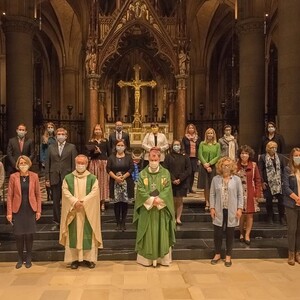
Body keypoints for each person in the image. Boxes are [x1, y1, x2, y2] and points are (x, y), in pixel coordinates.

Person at [133, 147, 176, 267]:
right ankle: (145, 260)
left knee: (162, 232)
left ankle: (163, 259)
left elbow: (167, 189)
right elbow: (140, 189)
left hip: (161, 209)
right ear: (148, 158)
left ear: (159, 158)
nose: (154, 159)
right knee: (147, 232)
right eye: (152, 157)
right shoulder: (142, 174)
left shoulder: (165, 173)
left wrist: (159, 200)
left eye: (156, 157)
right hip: (147, 210)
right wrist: (151, 200)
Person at [59, 154, 103, 269]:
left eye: (82, 163)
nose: (80, 165)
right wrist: (74, 202)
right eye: (78, 163)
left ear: (87, 164)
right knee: (73, 234)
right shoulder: (68, 178)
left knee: (88, 233)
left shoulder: (92, 178)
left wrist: (82, 201)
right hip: (73, 211)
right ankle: (74, 259)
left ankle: (89, 259)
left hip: (87, 211)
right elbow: (65, 191)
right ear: (75, 163)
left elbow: (95, 192)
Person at [6, 155, 42, 269]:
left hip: (30, 208)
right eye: (21, 163)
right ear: (18, 164)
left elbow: (38, 194)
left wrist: (38, 211)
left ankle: (28, 258)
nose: (23, 165)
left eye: (24, 163)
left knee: (29, 234)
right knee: (19, 235)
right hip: (18, 209)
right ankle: (20, 258)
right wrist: (9, 213)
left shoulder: (34, 176)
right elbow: (9, 195)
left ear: (29, 163)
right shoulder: (13, 177)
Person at [210, 157, 243, 267]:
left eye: (228, 165)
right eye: (224, 165)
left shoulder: (236, 180)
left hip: (232, 210)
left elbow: (240, 195)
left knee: (230, 233)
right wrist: (212, 208)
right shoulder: (215, 179)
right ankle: (217, 254)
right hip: (219, 210)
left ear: (232, 167)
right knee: (217, 233)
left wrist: (239, 208)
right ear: (220, 166)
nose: (226, 167)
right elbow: (212, 194)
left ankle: (228, 255)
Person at [45, 128, 77, 225]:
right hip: (54, 177)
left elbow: (74, 164)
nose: (60, 135)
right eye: (59, 134)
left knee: (67, 200)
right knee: (55, 201)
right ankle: (56, 221)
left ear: (66, 136)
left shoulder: (71, 147)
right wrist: (47, 178)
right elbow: (47, 163)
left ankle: (67, 220)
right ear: (56, 136)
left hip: (67, 177)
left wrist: (74, 177)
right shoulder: (51, 147)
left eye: (62, 134)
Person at [236, 145, 262, 245]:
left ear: (249, 155)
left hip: (251, 192)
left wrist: (258, 193)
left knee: (250, 215)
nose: (244, 155)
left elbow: (258, 180)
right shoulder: (235, 165)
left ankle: (247, 234)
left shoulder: (254, 165)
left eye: (246, 153)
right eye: (242, 153)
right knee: (241, 214)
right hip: (239, 193)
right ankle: (241, 232)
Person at [107, 139, 134, 231]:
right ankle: (118, 223)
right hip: (115, 182)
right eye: (118, 145)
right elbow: (108, 169)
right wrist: (116, 178)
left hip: (126, 182)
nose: (120, 147)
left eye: (122, 145)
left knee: (124, 203)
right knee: (117, 203)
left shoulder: (128, 157)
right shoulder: (111, 157)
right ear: (115, 146)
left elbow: (131, 168)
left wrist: (123, 177)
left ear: (125, 147)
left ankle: (123, 223)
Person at [258, 141, 286, 225]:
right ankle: (270, 216)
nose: (273, 149)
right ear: (267, 149)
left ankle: (282, 217)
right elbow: (260, 170)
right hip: (268, 183)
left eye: (275, 147)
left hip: (279, 183)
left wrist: (284, 181)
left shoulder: (280, 157)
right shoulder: (263, 157)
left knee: (281, 201)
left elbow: (284, 169)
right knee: (269, 201)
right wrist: (262, 182)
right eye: (271, 148)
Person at [164, 140, 191, 225]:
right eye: (175, 145)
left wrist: (180, 179)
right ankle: (172, 217)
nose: (176, 146)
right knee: (172, 200)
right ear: (172, 146)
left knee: (179, 200)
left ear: (181, 146)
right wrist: (173, 179)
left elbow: (188, 169)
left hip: (182, 182)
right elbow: (165, 168)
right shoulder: (168, 156)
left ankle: (178, 218)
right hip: (171, 181)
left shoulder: (185, 156)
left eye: (178, 145)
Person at [86, 124, 111, 212]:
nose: (97, 131)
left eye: (99, 129)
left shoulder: (105, 141)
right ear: (93, 131)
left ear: (102, 131)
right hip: (94, 163)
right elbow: (89, 154)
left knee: (103, 182)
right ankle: (95, 201)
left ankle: (103, 202)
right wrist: (95, 152)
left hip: (103, 163)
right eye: (96, 129)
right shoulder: (91, 141)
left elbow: (110, 153)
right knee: (94, 183)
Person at [283, 147, 300, 265]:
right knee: (292, 229)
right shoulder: (288, 169)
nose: (297, 158)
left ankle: (298, 253)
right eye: (296, 156)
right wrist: (297, 198)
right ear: (292, 157)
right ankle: (291, 253)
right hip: (291, 204)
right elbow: (286, 187)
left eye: (299, 156)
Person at [197, 128, 221, 210]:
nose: (210, 135)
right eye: (208, 133)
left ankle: (212, 202)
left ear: (214, 135)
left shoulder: (217, 145)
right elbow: (200, 154)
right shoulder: (202, 144)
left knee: (212, 185)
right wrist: (205, 164)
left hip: (213, 167)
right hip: (204, 167)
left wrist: (210, 164)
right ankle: (207, 201)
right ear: (206, 135)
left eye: (211, 133)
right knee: (206, 185)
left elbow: (218, 156)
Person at [182, 124, 201, 193]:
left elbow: (199, 148)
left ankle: (190, 188)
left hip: (195, 157)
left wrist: (199, 158)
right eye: (189, 128)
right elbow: (183, 146)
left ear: (194, 129)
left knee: (193, 173)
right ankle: (186, 188)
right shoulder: (185, 138)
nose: (191, 129)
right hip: (187, 157)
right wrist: (183, 155)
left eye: (192, 128)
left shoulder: (197, 138)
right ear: (188, 129)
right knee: (188, 173)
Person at [40, 122, 56, 201]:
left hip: (54, 160)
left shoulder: (56, 138)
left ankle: (53, 194)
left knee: (53, 177)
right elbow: (42, 150)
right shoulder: (44, 138)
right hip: (46, 160)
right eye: (48, 127)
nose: (50, 129)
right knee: (47, 178)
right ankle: (48, 194)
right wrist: (42, 160)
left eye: (51, 127)